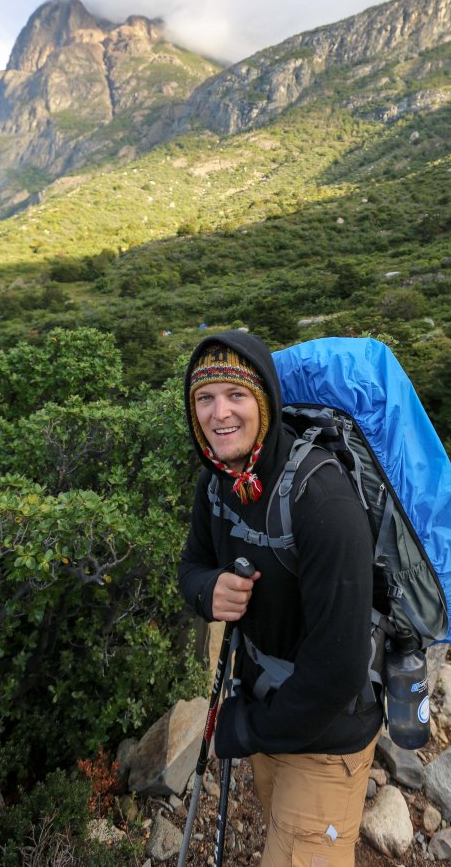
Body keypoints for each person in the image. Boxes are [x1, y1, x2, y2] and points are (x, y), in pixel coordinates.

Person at [178, 330, 382, 867]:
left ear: (264, 400)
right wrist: (208, 591)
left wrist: (244, 728)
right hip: (267, 707)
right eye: (205, 397)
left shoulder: (323, 499)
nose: (219, 413)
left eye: (236, 395)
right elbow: (192, 568)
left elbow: (338, 670)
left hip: (328, 733)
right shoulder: (217, 481)